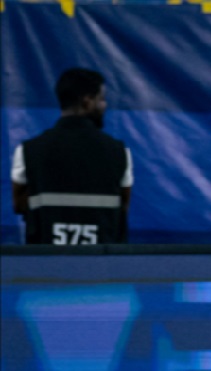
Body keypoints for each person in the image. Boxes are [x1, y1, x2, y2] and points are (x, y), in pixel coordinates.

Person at [11, 68, 133, 245]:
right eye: (102, 99)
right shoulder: (120, 152)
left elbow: (19, 205)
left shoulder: (27, 150)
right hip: (103, 260)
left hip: (44, 259)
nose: (104, 105)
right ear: (87, 102)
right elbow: (123, 207)